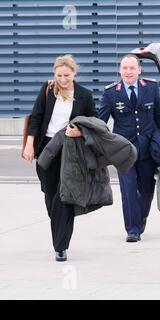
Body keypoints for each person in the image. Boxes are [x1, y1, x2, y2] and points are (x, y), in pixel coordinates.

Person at [22, 54, 98, 262]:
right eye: (59, 75)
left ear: (74, 73)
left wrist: (80, 132)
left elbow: (94, 122)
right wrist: (30, 144)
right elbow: (36, 117)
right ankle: (59, 226)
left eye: (67, 75)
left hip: (71, 149)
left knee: (64, 196)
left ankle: (61, 246)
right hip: (47, 148)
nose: (63, 79)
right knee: (50, 195)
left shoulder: (84, 95)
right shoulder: (47, 90)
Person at [99, 54, 160, 242]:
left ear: (139, 70)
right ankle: (132, 229)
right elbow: (100, 121)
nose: (128, 72)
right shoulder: (110, 93)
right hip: (123, 150)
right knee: (128, 189)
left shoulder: (150, 88)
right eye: (124, 68)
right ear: (120, 70)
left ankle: (141, 217)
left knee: (147, 187)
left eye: (132, 68)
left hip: (147, 148)